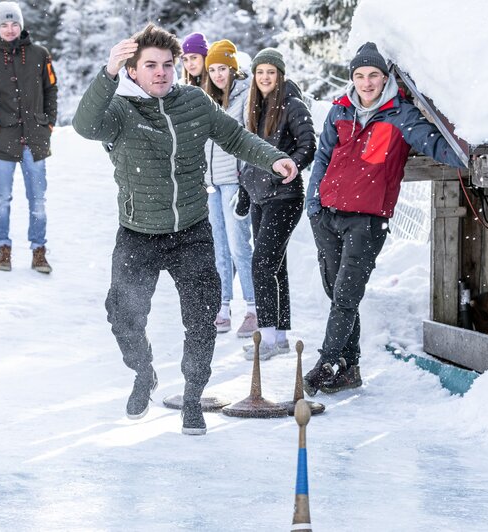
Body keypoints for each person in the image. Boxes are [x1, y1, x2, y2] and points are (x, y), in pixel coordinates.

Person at [72, 24, 298, 435]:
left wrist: (273, 158)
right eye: (150, 66)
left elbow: (235, 137)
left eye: (167, 65)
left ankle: (193, 395)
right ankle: (143, 373)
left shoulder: (193, 102)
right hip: (138, 232)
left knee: (201, 316)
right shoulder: (120, 110)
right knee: (123, 314)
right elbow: (84, 125)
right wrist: (107, 74)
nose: (160, 73)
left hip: (190, 231)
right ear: (134, 71)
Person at [303, 43, 466, 394]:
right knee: (337, 294)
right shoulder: (340, 111)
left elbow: (434, 143)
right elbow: (322, 157)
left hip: (366, 220)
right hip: (327, 214)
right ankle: (348, 367)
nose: (366, 82)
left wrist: (469, 155)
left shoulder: (400, 114)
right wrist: (312, 203)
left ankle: (328, 360)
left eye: (373, 75)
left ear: (384, 77)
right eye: (360, 76)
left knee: (346, 296)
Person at [238, 48, 316, 360]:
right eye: (260, 72)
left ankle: (267, 338)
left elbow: (308, 144)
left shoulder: (293, 105)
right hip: (259, 197)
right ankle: (281, 336)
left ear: (279, 75)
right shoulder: (253, 107)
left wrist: (292, 165)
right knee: (275, 266)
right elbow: (248, 153)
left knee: (261, 264)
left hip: (284, 197)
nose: (265, 77)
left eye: (271, 72)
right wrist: (245, 190)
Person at [0, 1, 58, 274]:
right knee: (2, 197)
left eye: (14, 24)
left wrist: (48, 125)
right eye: (4, 25)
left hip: (36, 139)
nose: (9, 29)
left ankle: (38, 250)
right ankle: (3, 248)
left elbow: (51, 90)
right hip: (3, 140)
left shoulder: (40, 54)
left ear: (21, 25)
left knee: (38, 199)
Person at [201, 39, 258, 337]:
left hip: (234, 182)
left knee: (239, 248)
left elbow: (249, 140)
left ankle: (252, 308)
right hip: (212, 184)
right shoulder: (207, 100)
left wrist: (245, 179)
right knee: (219, 249)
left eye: (223, 68)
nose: (218, 75)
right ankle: (222, 307)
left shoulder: (245, 98)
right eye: (213, 70)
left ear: (234, 69)